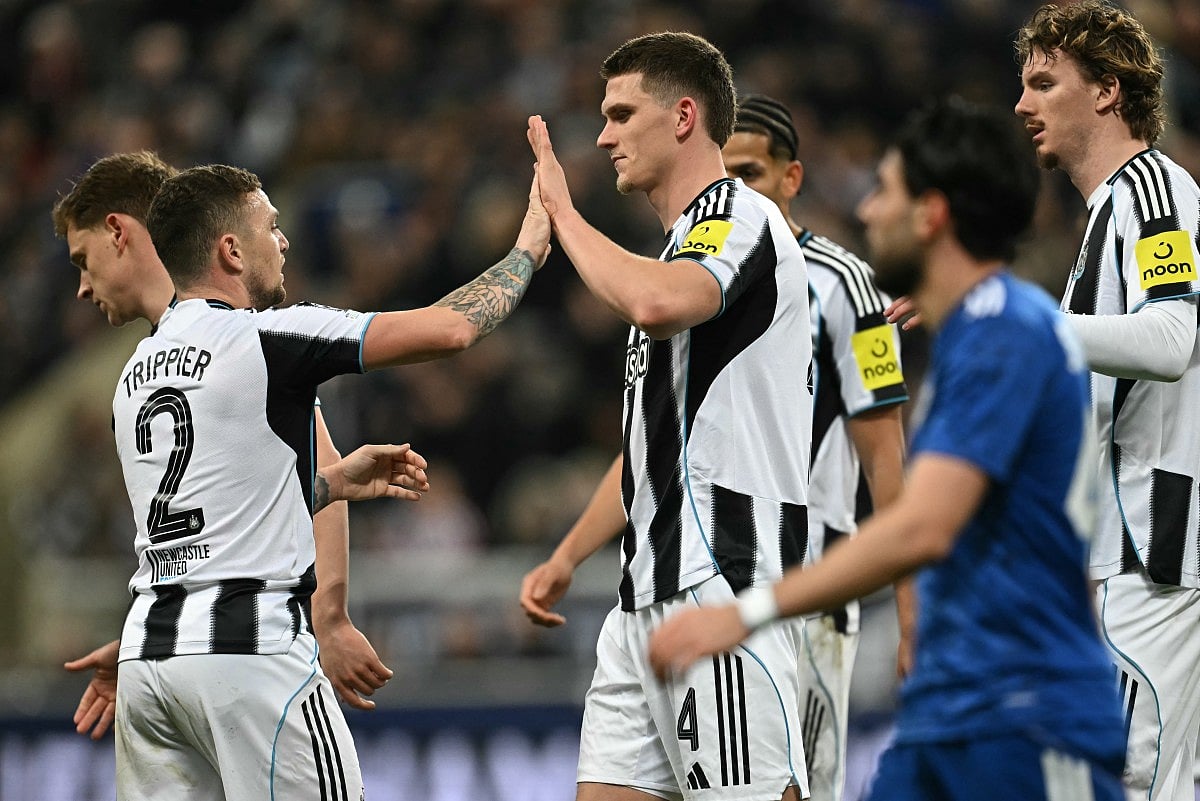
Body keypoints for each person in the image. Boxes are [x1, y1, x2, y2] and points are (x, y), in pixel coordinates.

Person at [648, 98, 1127, 800]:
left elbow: (922, 525)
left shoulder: (1006, 328)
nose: (867, 212)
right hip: (950, 714)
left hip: (1027, 717)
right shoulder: (969, 335)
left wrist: (745, 612)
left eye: (885, 192)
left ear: (930, 214)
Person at [91, 161, 549, 801]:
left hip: (147, 665)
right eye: (270, 227)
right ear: (230, 249)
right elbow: (452, 329)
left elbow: (214, 515)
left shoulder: (132, 375)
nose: (282, 242)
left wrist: (329, 483)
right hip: (252, 656)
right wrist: (528, 248)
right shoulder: (268, 335)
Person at [520, 31, 811, 801]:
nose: (603, 135)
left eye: (621, 113)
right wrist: (569, 554)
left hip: (724, 576)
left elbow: (655, 303)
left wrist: (563, 212)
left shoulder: (738, 216)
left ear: (684, 116)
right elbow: (656, 449)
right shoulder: (681, 245)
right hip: (643, 593)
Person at [51, 151, 402, 741]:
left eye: (83, 261)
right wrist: (163, 624)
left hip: (242, 647)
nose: (83, 287)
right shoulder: (169, 354)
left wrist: (330, 614)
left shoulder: (240, 338)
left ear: (118, 231)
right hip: (191, 648)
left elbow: (318, 466)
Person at [1014, 4, 1200, 799]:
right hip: (1119, 556)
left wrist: (1019, 319)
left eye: (1044, 83)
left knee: (1129, 779)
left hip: (1155, 550)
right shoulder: (1105, 217)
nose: (1023, 105)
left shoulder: (1154, 190)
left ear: (1106, 92)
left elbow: (1170, 338)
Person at [721, 93, 909, 801]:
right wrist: (566, 554)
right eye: (724, 176)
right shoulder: (694, 285)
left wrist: (912, 621)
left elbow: (887, 463)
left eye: (753, 174)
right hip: (710, 586)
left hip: (809, 594)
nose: (736, 194)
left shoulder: (847, 285)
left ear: (792, 178)